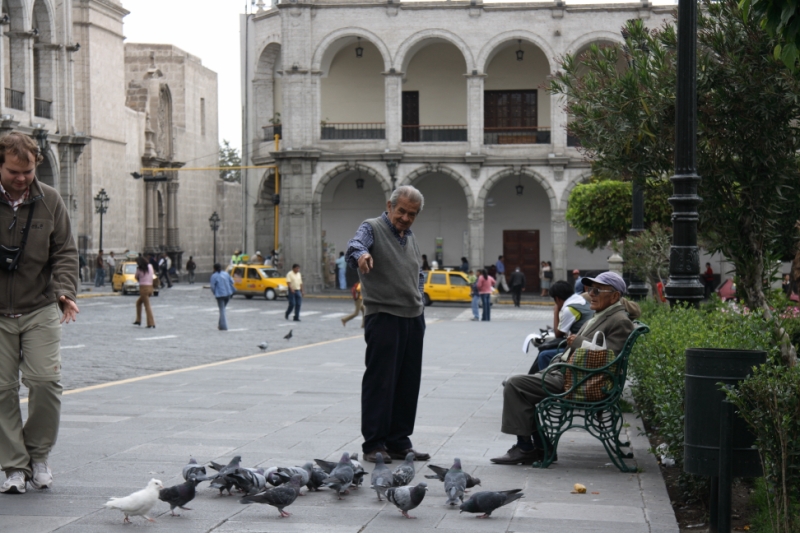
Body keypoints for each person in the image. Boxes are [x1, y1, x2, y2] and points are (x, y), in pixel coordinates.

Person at [0, 132, 80, 494]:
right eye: (13, 171)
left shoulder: (50, 200)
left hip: (41, 305)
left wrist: (65, 292)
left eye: (28, 171)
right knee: (2, 390)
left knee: (46, 382)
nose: (22, 178)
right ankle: (14, 467)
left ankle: (38, 456)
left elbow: (65, 251)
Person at [491, 272, 639, 465]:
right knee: (518, 386)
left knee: (515, 385)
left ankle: (526, 448)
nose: (590, 294)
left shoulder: (619, 320)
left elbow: (610, 357)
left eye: (596, 290)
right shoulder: (603, 314)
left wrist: (578, 342)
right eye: (589, 289)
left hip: (579, 380)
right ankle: (540, 446)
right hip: (572, 374)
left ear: (614, 296)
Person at [345, 184, 430, 464]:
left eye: (412, 214)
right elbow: (355, 246)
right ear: (389, 206)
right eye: (401, 211)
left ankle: (398, 441)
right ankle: (374, 443)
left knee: (408, 383)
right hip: (384, 315)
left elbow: (417, 273)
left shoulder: (411, 237)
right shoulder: (372, 227)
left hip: (413, 317)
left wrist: (418, 299)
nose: (405, 218)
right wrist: (362, 256)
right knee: (380, 381)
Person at [528, 280, 594, 374]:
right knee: (545, 348)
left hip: (581, 348)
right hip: (585, 342)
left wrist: (556, 311)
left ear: (557, 299)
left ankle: (544, 380)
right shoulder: (580, 300)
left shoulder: (570, 309)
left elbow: (558, 334)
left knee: (544, 354)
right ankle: (534, 377)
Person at [210, 263, 235, 331]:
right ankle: (220, 325)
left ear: (214, 268)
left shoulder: (214, 276)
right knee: (222, 309)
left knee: (222, 310)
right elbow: (232, 281)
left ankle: (224, 326)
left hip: (220, 295)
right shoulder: (225, 273)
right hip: (228, 293)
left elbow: (212, 287)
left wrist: (215, 292)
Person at [133, 256, 156, 329]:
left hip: (143, 288)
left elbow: (136, 277)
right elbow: (153, 274)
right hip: (150, 287)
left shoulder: (139, 269)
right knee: (138, 303)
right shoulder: (150, 266)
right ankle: (138, 320)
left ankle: (151, 323)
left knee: (147, 306)